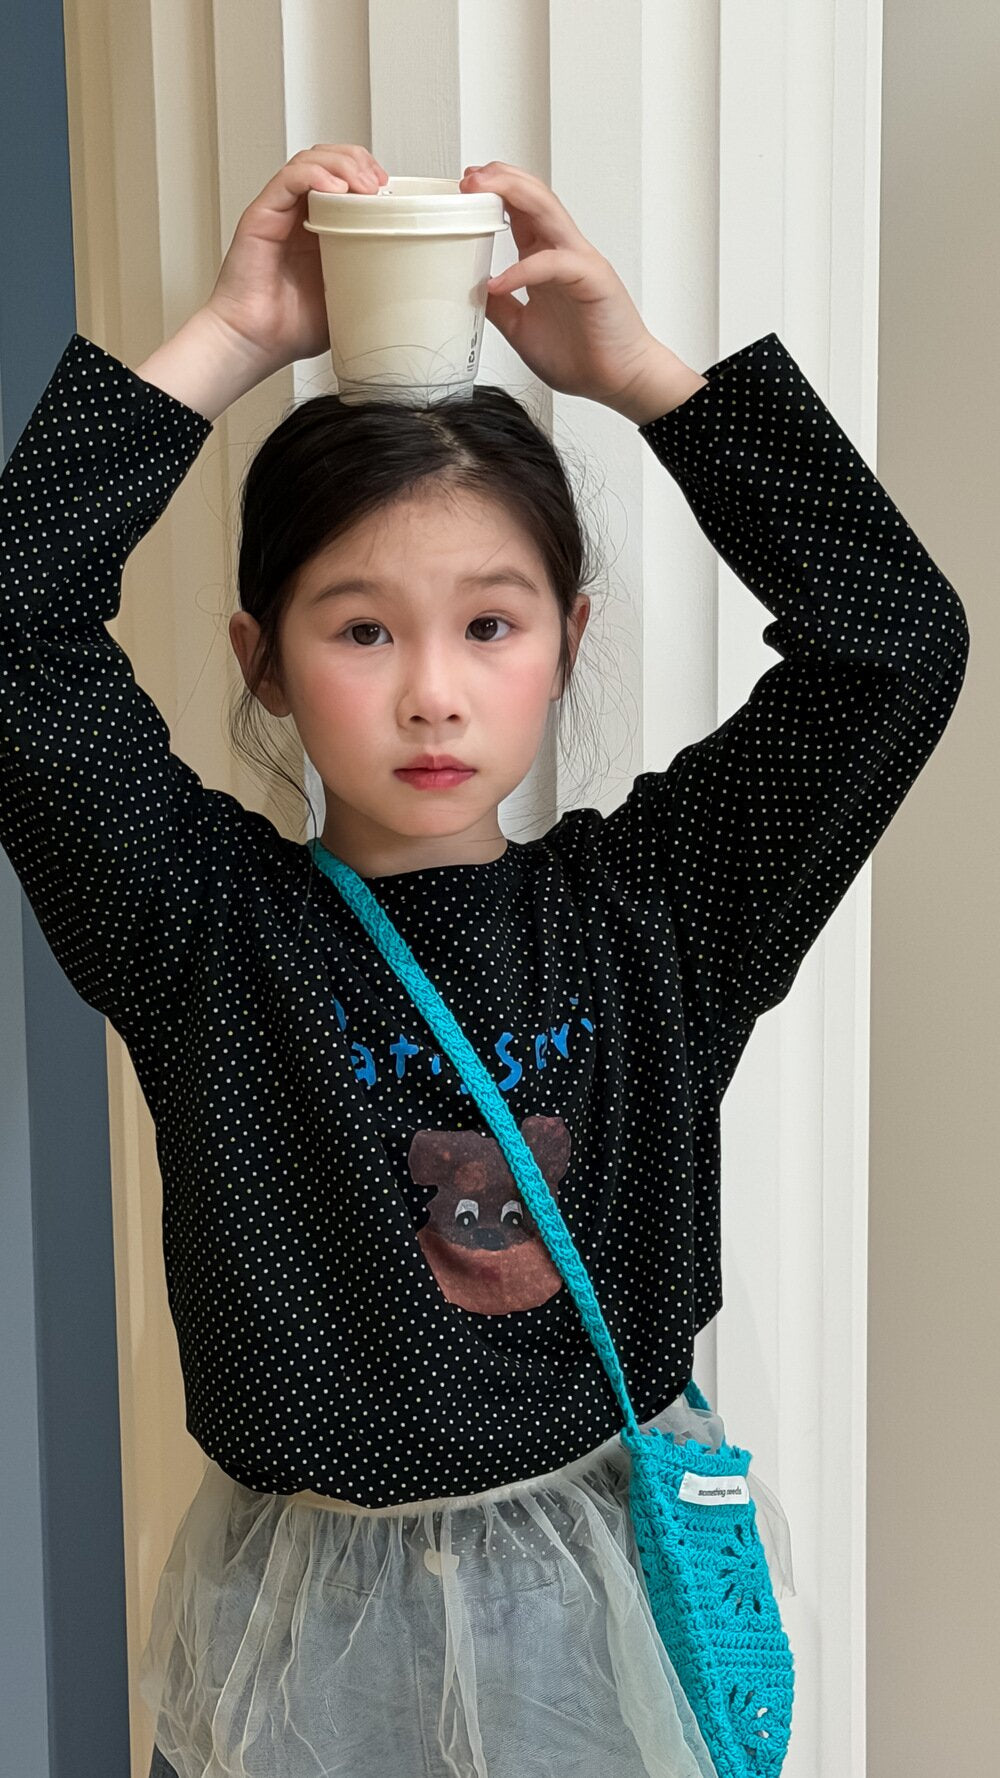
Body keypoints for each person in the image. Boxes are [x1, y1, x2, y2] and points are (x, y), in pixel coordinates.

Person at [0, 145, 969, 1778]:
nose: (433, 693)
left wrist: (646, 378)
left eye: (490, 624)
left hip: (597, 1637)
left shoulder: (661, 912)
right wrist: (230, 340)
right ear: (263, 659)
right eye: (362, 628)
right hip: (306, 1652)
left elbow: (895, 641)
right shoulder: (201, 923)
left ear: (568, 641)